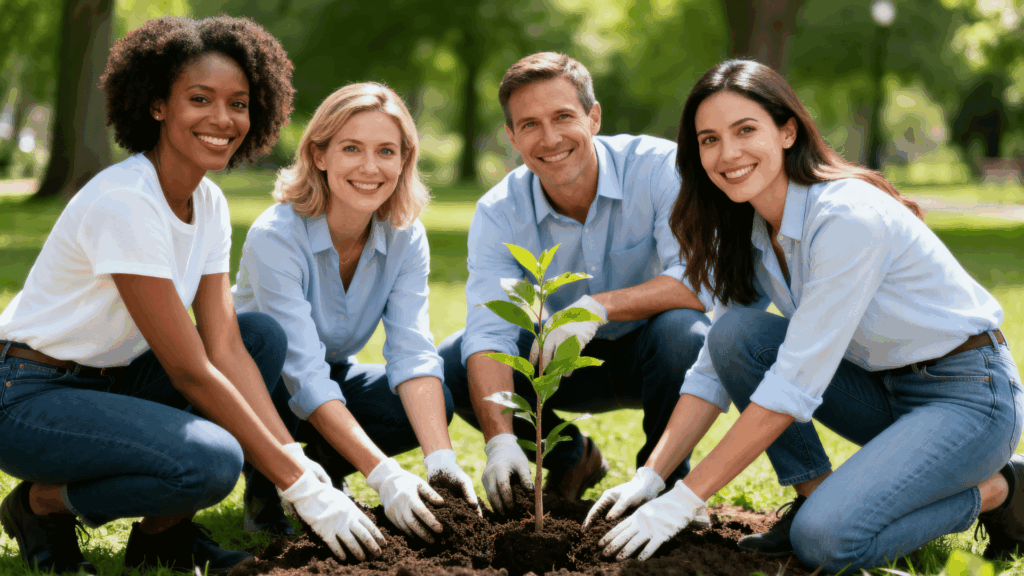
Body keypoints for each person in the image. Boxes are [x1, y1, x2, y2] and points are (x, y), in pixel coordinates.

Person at [585, 59, 1024, 572]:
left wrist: (683, 500)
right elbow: (715, 363)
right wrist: (653, 475)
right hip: (883, 390)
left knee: (827, 544)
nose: (727, 154)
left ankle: (1001, 489)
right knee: (735, 335)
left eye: (745, 130)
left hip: (968, 398)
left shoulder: (845, 217)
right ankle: (815, 497)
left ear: (788, 130)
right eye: (709, 139)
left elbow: (793, 384)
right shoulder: (750, 226)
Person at [0, 16, 385, 575]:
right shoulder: (127, 200)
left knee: (259, 336)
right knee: (209, 463)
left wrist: (296, 460)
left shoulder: (208, 204)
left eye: (239, 103)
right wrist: (296, 484)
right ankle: (41, 504)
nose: (222, 119)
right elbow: (189, 370)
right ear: (157, 105)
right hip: (29, 396)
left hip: (113, 381)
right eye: (199, 99)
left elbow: (226, 346)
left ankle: (162, 538)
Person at [436, 52, 714, 515]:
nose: (550, 139)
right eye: (529, 125)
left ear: (594, 116)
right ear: (511, 135)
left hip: (655, 354)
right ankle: (570, 458)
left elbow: (699, 283)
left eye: (564, 117)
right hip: (561, 364)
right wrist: (500, 441)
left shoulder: (660, 168)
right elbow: (490, 329)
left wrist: (595, 307)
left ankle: (662, 486)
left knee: (684, 332)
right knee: (456, 359)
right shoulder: (498, 211)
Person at [233, 81, 478, 543]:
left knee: (431, 403)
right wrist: (384, 475)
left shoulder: (405, 236)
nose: (370, 167)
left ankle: (330, 464)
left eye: (387, 151)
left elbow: (411, 350)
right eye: (351, 148)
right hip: (257, 387)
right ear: (319, 155)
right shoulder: (276, 236)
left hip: (330, 375)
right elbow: (300, 373)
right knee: (268, 354)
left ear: (404, 160)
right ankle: (269, 482)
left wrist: (442, 463)